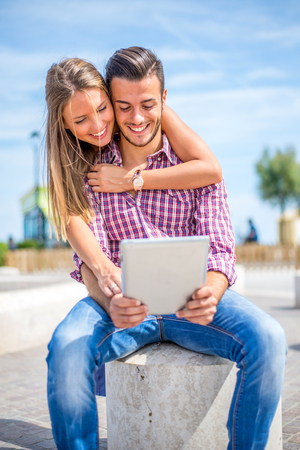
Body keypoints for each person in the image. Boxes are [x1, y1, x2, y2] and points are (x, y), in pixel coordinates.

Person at [46, 48, 286, 450]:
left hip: (191, 305)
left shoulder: (194, 165)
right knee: (66, 348)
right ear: (111, 101)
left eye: (147, 105)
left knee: (269, 337)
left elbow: (222, 250)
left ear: (164, 101)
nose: (136, 118)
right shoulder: (90, 167)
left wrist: (212, 292)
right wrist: (110, 297)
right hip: (123, 307)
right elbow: (89, 260)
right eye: (122, 107)